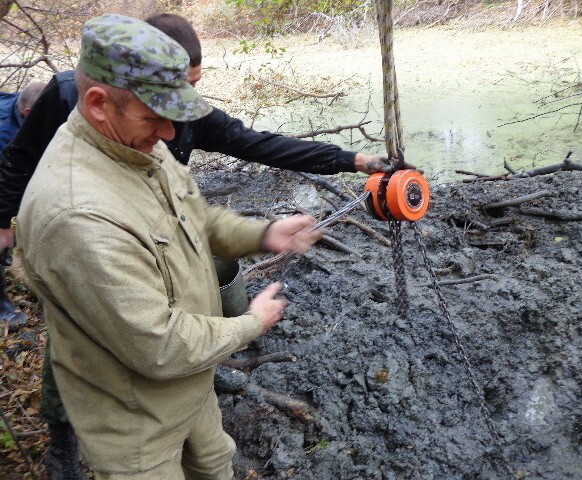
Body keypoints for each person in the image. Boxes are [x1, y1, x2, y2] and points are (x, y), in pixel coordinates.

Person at [0, 13, 407, 480]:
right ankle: (62, 444)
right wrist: (251, 324)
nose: (171, 135)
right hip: (138, 423)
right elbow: (160, 345)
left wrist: (260, 234)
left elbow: (190, 213)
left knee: (215, 465)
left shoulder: (135, 142)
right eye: (157, 117)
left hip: (191, 391)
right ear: (97, 104)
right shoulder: (77, 216)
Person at [0, 81, 45, 329]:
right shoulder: (6, 135)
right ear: (28, 112)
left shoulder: (28, 102)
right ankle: (2, 308)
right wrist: (4, 226)